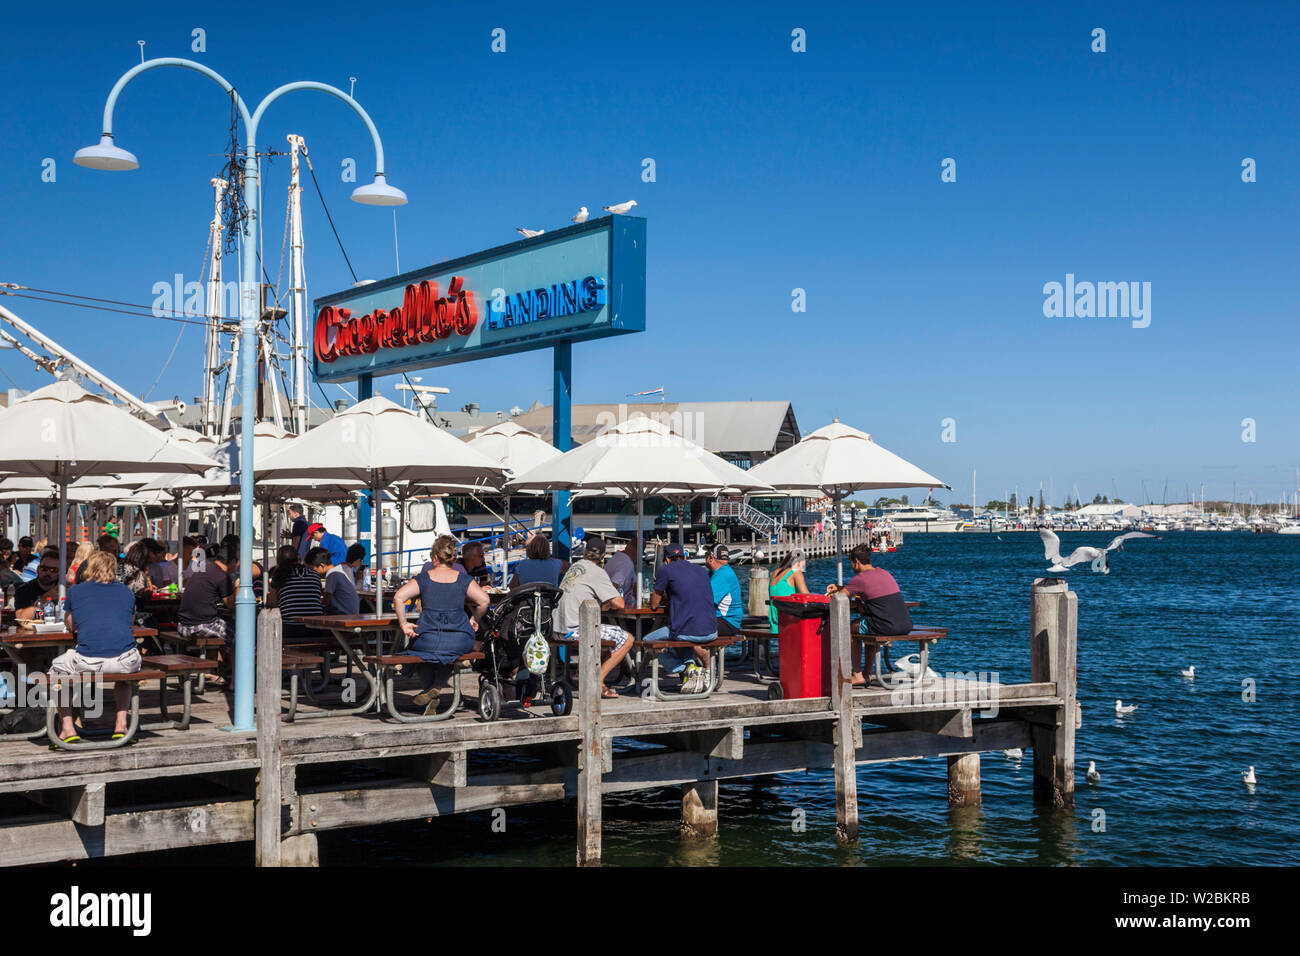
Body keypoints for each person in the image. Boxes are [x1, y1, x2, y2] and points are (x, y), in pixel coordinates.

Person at [50, 550, 141, 745]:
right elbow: (130, 621)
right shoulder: (126, 591)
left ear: (89, 568)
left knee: (57, 672)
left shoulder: (76, 590)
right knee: (124, 679)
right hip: (126, 659)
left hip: (89, 661)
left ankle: (67, 728)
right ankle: (121, 724)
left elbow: (70, 625)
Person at [393, 535, 490, 714]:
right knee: (450, 653)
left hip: (428, 638)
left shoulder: (423, 578)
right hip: (460, 639)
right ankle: (435, 689)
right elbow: (484, 600)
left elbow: (399, 597)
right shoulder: (463, 579)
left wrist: (404, 623)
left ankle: (432, 690)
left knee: (420, 653)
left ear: (435, 557)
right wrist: (474, 620)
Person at [553, 536, 633, 698]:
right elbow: (620, 604)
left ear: (584, 552)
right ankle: (598, 681)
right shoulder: (597, 572)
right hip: (572, 630)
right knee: (627, 639)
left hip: (556, 628)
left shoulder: (576, 566)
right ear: (603, 556)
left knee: (604, 636)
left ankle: (581, 673)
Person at [826, 543, 913, 687]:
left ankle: (857, 674)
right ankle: (867, 674)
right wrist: (841, 587)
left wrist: (838, 591)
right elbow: (862, 589)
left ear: (857, 562)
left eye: (851, 563)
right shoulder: (884, 573)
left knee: (850, 629)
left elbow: (840, 598)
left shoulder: (859, 579)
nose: (851, 567)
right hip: (905, 624)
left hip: (886, 626)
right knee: (867, 627)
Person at [646, 543, 718, 694]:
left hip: (686, 630)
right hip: (712, 629)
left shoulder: (666, 570)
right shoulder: (700, 570)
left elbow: (654, 604)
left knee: (647, 641)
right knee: (681, 633)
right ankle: (691, 667)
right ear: (685, 556)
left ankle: (685, 669)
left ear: (667, 559)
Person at [178, 541, 238, 683]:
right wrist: (238, 586)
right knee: (240, 636)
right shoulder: (223, 576)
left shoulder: (205, 569)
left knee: (220, 626)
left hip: (183, 624)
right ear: (233, 561)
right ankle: (237, 681)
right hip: (199, 625)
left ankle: (210, 670)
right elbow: (230, 604)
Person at [273, 546, 329, 640]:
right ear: (298, 557)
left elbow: (274, 603)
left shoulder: (279, 575)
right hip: (315, 627)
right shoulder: (314, 574)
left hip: (290, 627)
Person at [704, 544, 743, 637]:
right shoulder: (721, 572)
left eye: (706, 555)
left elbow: (706, 600)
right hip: (726, 620)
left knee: (687, 627)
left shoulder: (722, 575)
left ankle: (704, 652)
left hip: (727, 622)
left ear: (711, 558)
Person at [768, 548, 809, 633]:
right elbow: (806, 597)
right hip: (787, 621)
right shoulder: (795, 572)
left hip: (775, 621)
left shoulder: (775, 573)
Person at [14, 548, 62, 620]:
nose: (48, 573)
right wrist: (44, 599)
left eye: (54, 570)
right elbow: (20, 616)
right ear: (38, 569)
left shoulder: (64, 589)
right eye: (44, 569)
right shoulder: (24, 590)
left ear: (59, 573)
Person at [325, 544, 363, 615]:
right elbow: (354, 590)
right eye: (361, 561)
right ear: (358, 560)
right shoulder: (347, 570)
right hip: (345, 613)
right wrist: (360, 580)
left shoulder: (342, 568)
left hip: (344, 611)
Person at [603, 538, 638, 606]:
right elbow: (614, 585)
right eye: (641, 551)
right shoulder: (626, 563)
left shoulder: (618, 557)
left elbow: (635, 586)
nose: (642, 553)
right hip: (616, 608)